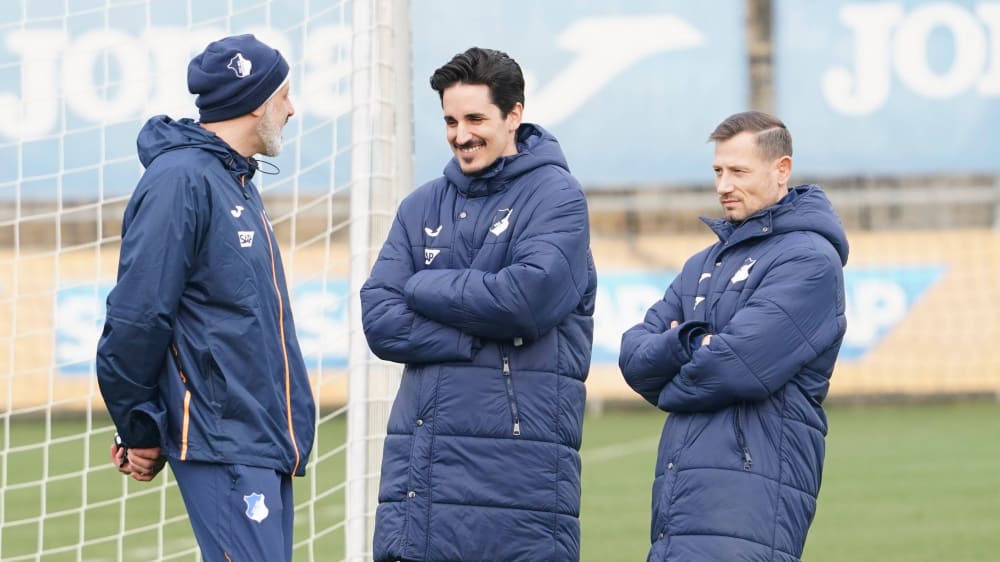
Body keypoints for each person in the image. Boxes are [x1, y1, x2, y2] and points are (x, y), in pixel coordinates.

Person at [361, 47, 597, 562]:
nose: (461, 135)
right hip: (420, 479)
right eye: (450, 121)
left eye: (475, 119)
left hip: (516, 481)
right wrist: (471, 336)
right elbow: (380, 319)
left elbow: (524, 302)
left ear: (514, 115)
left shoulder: (557, 198)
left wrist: (423, 288)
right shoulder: (421, 205)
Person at [95, 34, 315, 562]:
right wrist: (139, 426)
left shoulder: (235, 180)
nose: (292, 109)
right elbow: (137, 316)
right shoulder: (180, 180)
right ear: (256, 101)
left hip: (259, 438)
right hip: (224, 436)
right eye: (284, 95)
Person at [618, 111, 849, 561]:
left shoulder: (810, 261)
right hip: (680, 489)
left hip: (750, 494)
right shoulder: (704, 263)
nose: (724, 185)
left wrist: (674, 369)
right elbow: (634, 358)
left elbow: (736, 367)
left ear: (781, 170)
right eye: (718, 171)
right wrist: (692, 344)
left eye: (739, 171)